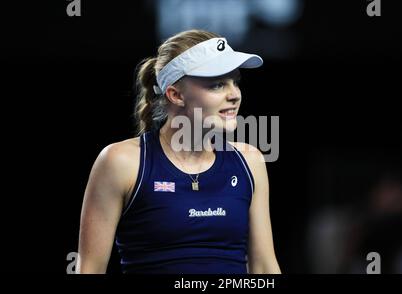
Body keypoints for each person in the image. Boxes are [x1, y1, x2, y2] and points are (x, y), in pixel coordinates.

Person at [77, 29, 281, 274]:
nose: (234, 95)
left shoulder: (251, 161)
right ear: (175, 94)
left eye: (234, 81)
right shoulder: (120, 162)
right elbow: (89, 269)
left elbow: (264, 268)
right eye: (217, 84)